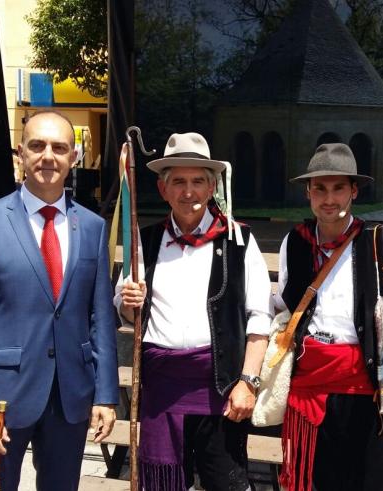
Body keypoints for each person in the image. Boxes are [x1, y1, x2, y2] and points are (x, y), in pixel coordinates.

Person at [0, 110, 119, 491]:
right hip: (3, 395)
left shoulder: (93, 227)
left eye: (60, 147)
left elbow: (99, 315)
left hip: (71, 396)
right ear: (20, 153)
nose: (48, 156)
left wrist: (106, 394)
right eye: (37, 145)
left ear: (74, 157)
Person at [117, 132, 272, 491]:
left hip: (220, 389)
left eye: (198, 181)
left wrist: (248, 383)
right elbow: (125, 312)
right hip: (160, 390)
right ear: (163, 189)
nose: (189, 192)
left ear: (212, 186)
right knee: (161, 484)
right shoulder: (146, 240)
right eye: (180, 182)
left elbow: (259, 320)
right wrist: (128, 303)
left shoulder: (238, 241)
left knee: (227, 484)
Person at [273, 143, 383, 491]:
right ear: (308, 193)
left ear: (354, 191)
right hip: (309, 387)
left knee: (370, 482)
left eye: (339, 188)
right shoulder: (293, 243)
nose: (329, 198)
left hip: (366, 387)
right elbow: (288, 311)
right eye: (320, 189)